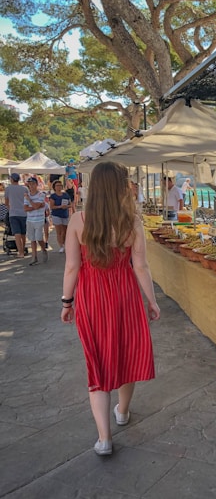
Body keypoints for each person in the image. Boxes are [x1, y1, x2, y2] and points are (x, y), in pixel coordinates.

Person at [60, 161, 160, 456]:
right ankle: (123, 411)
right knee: (127, 354)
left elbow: (71, 268)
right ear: (119, 188)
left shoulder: (78, 221)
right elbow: (140, 266)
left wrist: (67, 302)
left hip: (92, 297)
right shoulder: (132, 222)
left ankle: (104, 439)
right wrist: (151, 301)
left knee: (99, 362)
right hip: (126, 294)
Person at [24, 176, 48, 265]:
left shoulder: (41, 195)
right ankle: (34, 257)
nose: (31, 186)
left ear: (36, 184)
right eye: (29, 184)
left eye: (33, 184)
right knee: (32, 239)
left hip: (39, 219)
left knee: (38, 238)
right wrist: (34, 206)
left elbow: (36, 206)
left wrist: (30, 201)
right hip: (30, 219)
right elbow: (25, 208)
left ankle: (43, 249)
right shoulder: (26, 195)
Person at [4, 172, 28, 257]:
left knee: (17, 233)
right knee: (23, 233)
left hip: (13, 213)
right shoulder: (24, 188)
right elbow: (28, 200)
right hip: (24, 213)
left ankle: (20, 252)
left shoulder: (8, 189)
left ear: (12, 179)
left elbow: (6, 202)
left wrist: (10, 208)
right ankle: (23, 249)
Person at [48, 180, 71, 252]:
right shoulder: (53, 196)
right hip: (56, 215)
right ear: (54, 187)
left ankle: (65, 243)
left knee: (65, 230)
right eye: (57, 186)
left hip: (65, 214)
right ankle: (61, 245)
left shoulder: (65, 195)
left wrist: (66, 206)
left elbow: (70, 204)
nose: (59, 187)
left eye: (60, 185)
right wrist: (60, 207)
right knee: (59, 231)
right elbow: (51, 206)